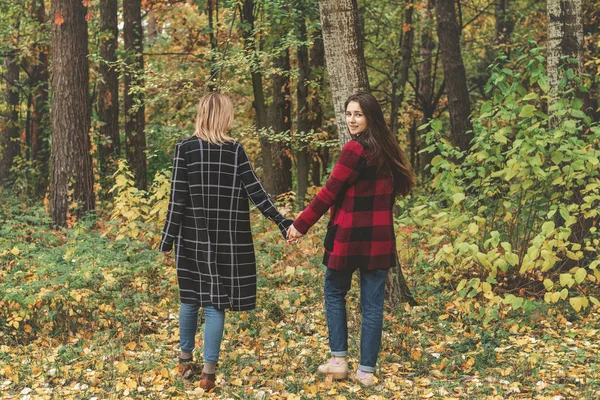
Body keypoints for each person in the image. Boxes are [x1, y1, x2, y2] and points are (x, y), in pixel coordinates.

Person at [159, 93, 292, 390]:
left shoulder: (184, 149)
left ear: (202, 114)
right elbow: (258, 193)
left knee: (190, 297)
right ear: (223, 117)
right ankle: (208, 373)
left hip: (191, 239)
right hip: (227, 241)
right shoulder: (235, 151)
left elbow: (176, 200)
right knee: (215, 301)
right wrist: (283, 222)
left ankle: (183, 362)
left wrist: (166, 241)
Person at [287, 92, 415, 386]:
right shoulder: (388, 150)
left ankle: (339, 361)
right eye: (348, 114)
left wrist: (300, 224)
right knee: (372, 305)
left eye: (358, 114)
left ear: (370, 117)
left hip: (349, 237)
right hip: (379, 238)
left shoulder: (354, 150)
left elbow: (329, 191)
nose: (352, 120)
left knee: (334, 291)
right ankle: (366, 372)